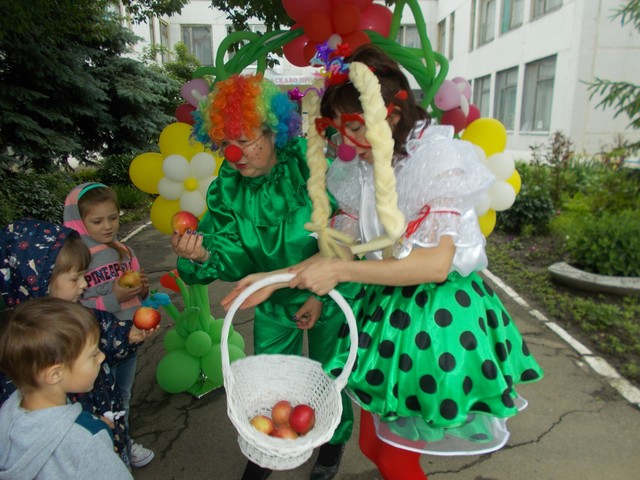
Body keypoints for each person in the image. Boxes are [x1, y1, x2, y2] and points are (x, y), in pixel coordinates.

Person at [281, 44, 544, 479]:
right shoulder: (366, 164)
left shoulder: (436, 159)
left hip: (437, 320)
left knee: (394, 458)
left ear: (393, 116)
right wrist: (279, 280)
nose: (345, 143)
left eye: (355, 126)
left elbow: (435, 264)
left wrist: (339, 271)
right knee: (371, 445)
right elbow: (344, 245)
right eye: (338, 129)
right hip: (389, 309)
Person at [171, 73, 357, 480]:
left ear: (274, 132)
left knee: (331, 376)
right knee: (271, 380)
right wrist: (203, 253)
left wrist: (319, 296)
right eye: (225, 142)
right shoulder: (227, 188)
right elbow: (228, 250)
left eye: (245, 139)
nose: (234, 154)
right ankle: (267, 449)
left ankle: (333, 442)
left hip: (329, 292)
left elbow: (347, 237)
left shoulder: (312, 167)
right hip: (270, 299)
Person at [0, 218, 147, 467]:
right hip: (78, 453)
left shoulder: (78, 314)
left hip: (103, 426)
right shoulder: (23, 349)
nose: (85, 284)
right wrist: (84, 430)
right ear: (38, 281)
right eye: (75, 279)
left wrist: (127, 336)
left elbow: (106, 335)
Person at [63, 182, 156, 467]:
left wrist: (142, 290)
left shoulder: (123, 251)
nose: (108, 226)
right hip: (96, 345)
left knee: (123, 395)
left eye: (113, 218)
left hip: (129, 337)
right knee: (99, 402)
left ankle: (123, 443)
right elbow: (74, 307)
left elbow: (138, 293)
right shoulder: (75, 259)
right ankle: (105, 454)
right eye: (97, 221)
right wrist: (114, 297)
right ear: (78, 220)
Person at [0, 297, 134, 480]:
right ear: (55, 374)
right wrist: (91, 431)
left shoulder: (8, 411)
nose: (101, 357)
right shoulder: (87, 440)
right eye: (93, 354)